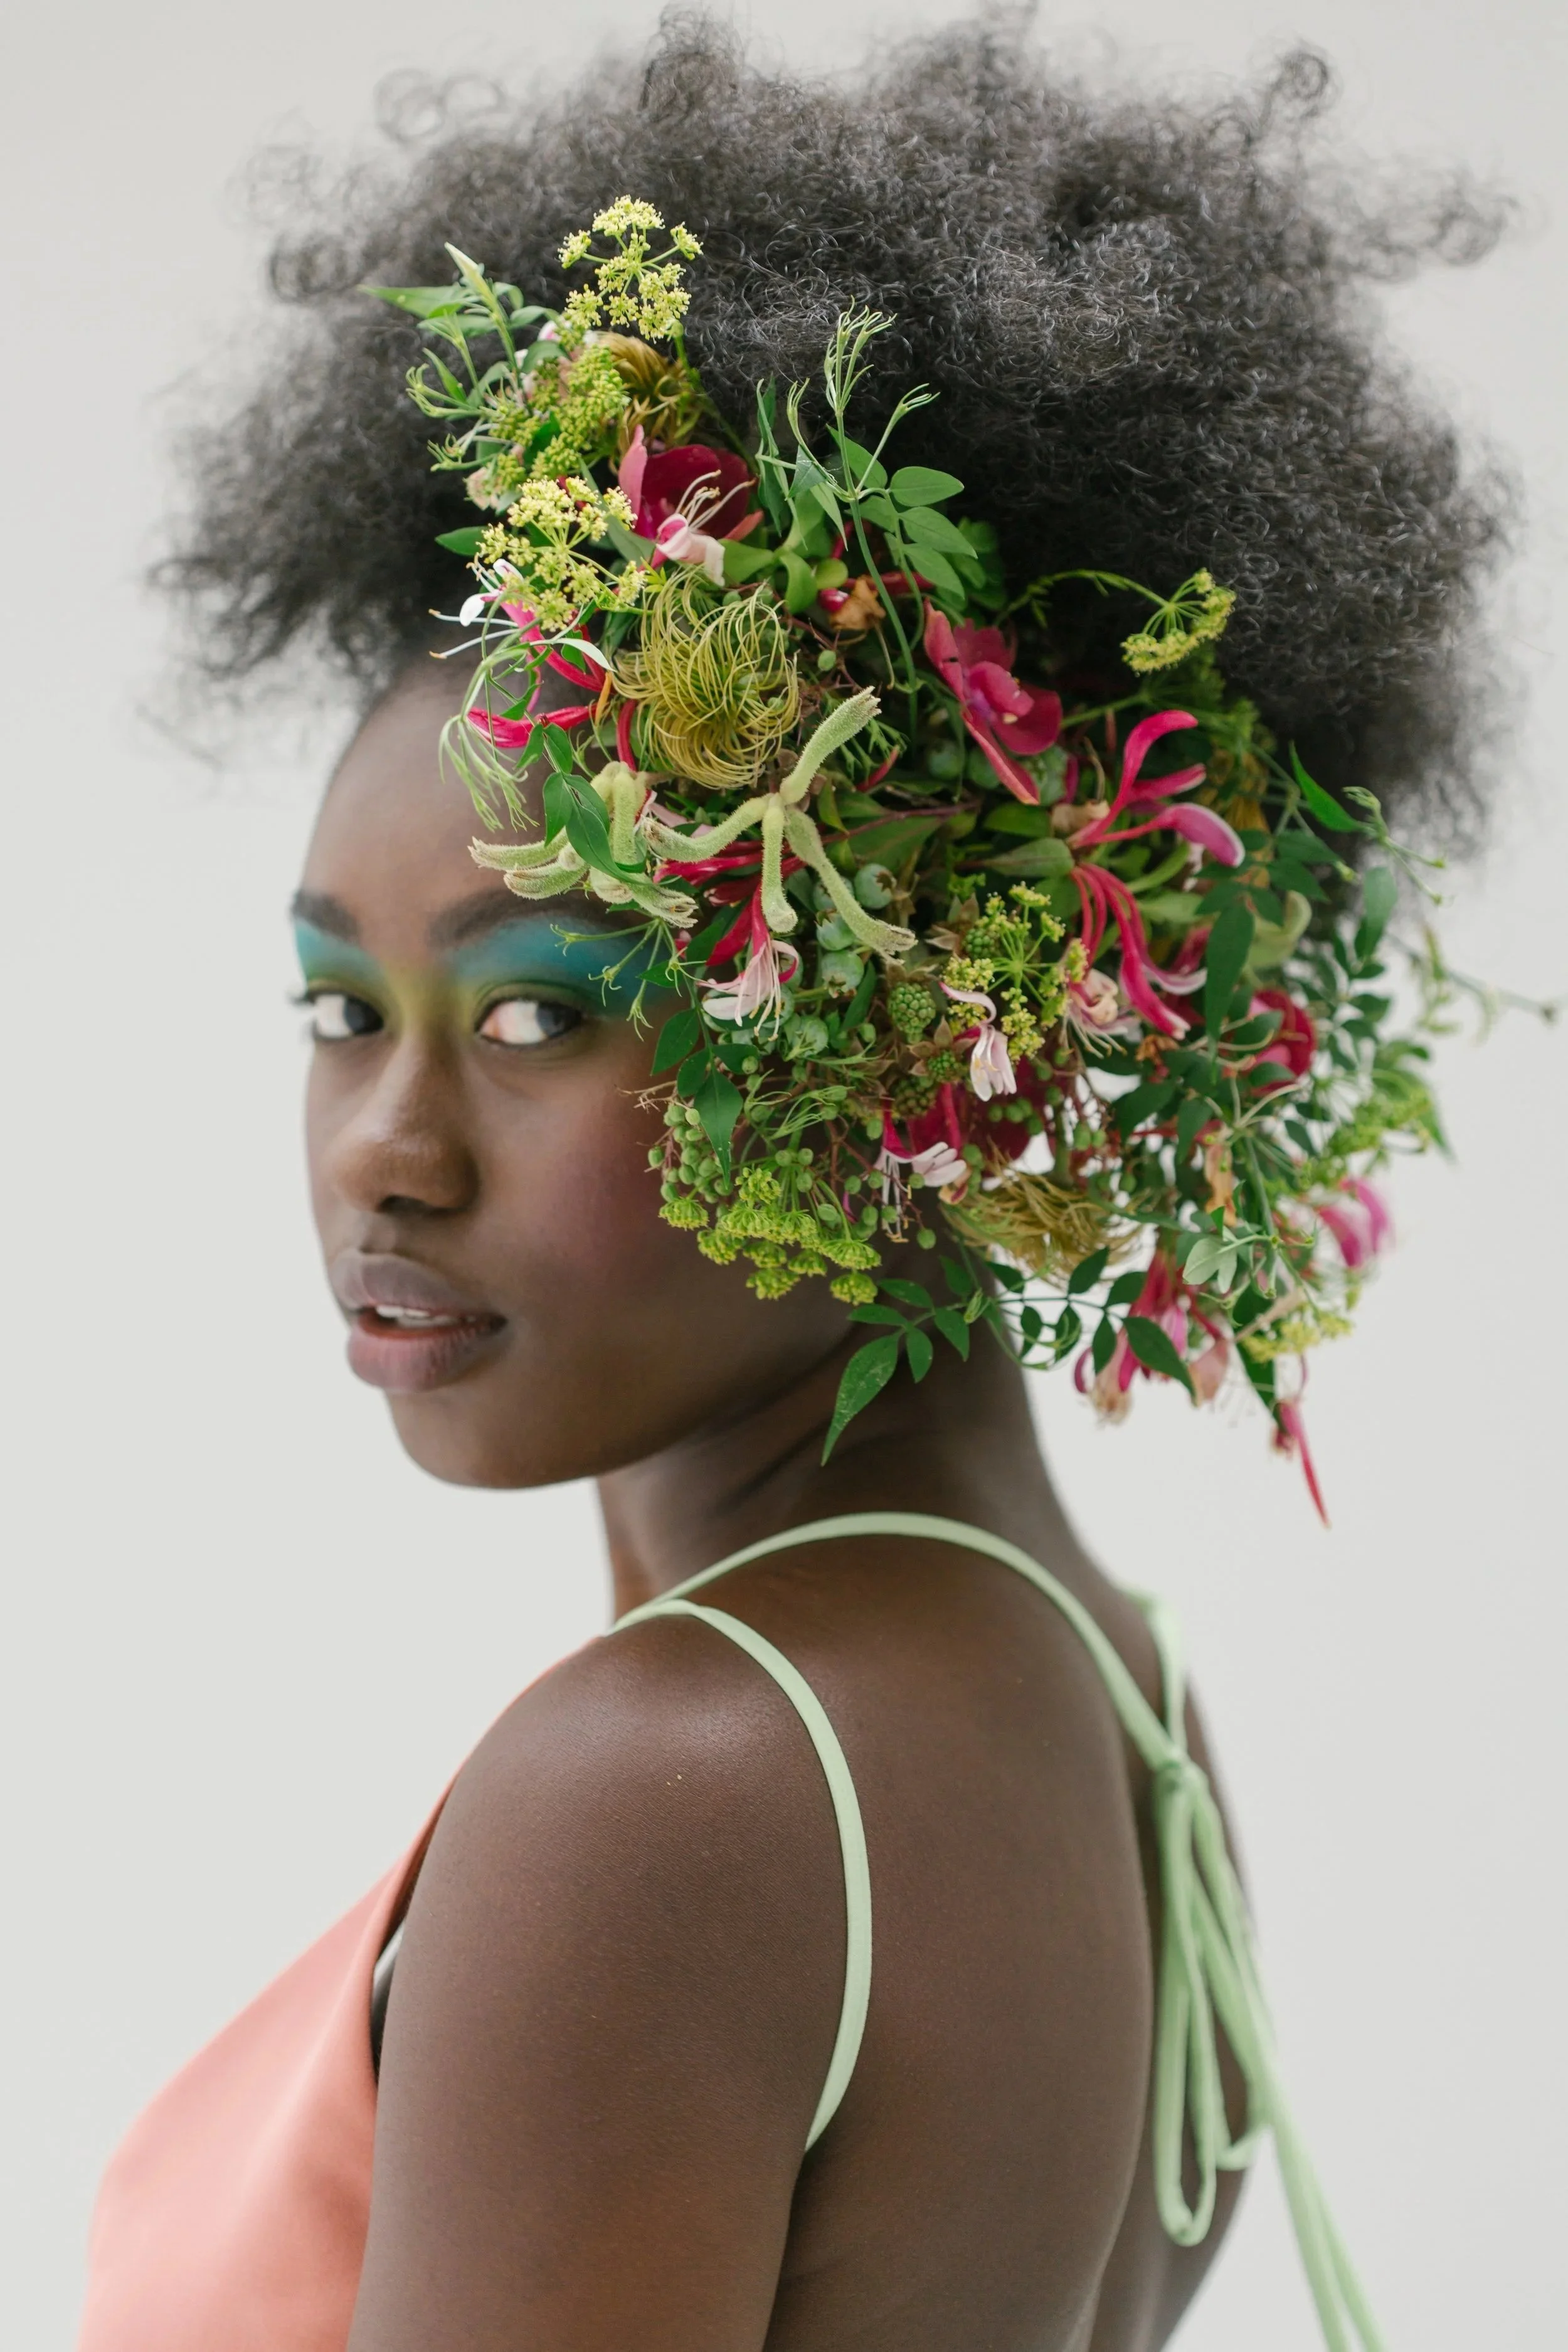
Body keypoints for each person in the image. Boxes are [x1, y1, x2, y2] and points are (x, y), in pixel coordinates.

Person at [77, 16, 1508, 2351]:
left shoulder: (667, 1795)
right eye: (344, 1008)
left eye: (541, 1009)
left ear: (913, 1018)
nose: (387, 1150)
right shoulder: (1104, 1692)